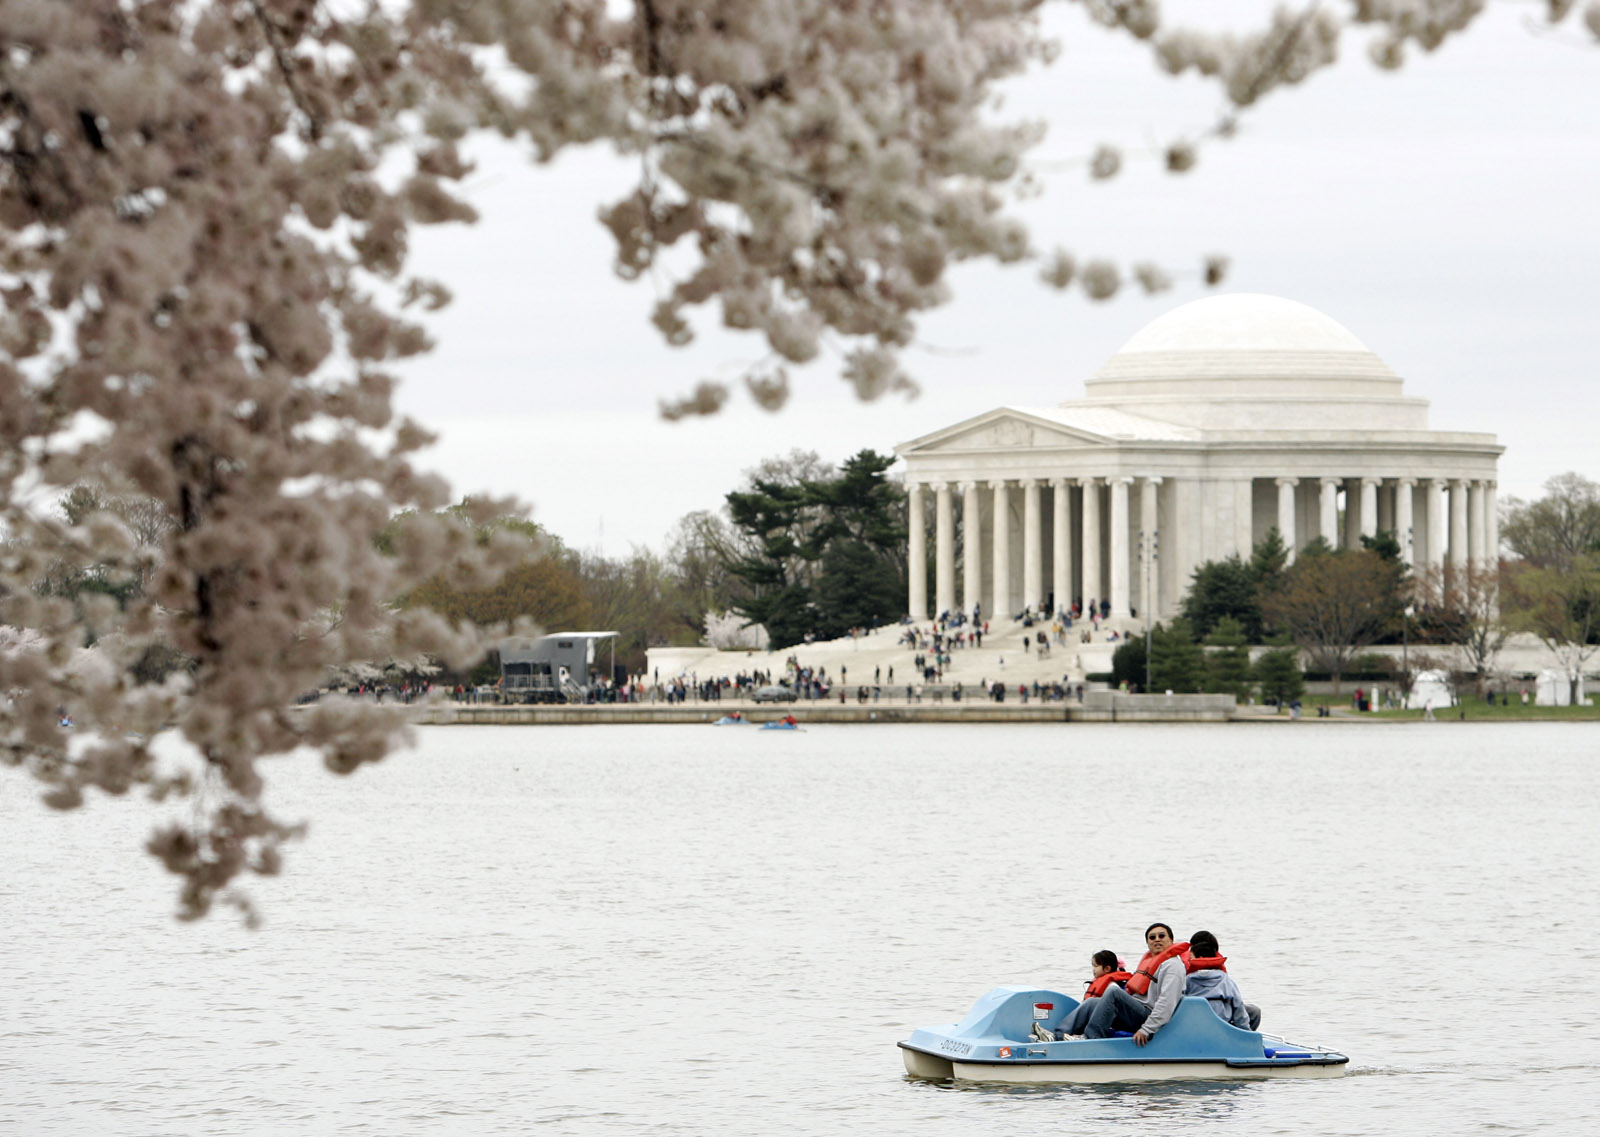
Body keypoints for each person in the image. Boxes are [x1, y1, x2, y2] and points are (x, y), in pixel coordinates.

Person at [1060, 923, 1190, 1045]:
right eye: (1152, 937)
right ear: (1148, 943)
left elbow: (1166, 1004)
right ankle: (1058, 1036)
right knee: (1092, 1002)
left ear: (1171, 940)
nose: (1157, 939)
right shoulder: (1153, 962)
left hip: (1147, 1016)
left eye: (1161, 936)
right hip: (1137, 1010)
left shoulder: (1172, 966)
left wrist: (1146, 1029)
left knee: (1114, 993)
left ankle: (1091, 1039)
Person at [1039, 950, 1129, 1041]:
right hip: (1096, 1018)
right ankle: (1057, 1035)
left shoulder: (1112, 987)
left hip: (1107, 1021)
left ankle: (1057, 1036)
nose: (1093, 969)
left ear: (1107, 969)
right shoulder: (1101, 982)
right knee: (1089, 1003)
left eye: (1096, 966)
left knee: (1090, 1002)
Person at [1183, 930, 1253, 1030]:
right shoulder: (1224, 979)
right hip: (1222, 1025)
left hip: (1195, 1025)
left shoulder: (1186, 979)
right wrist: (1246, 1033)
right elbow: (1238, 1006)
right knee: (1252, 1013)